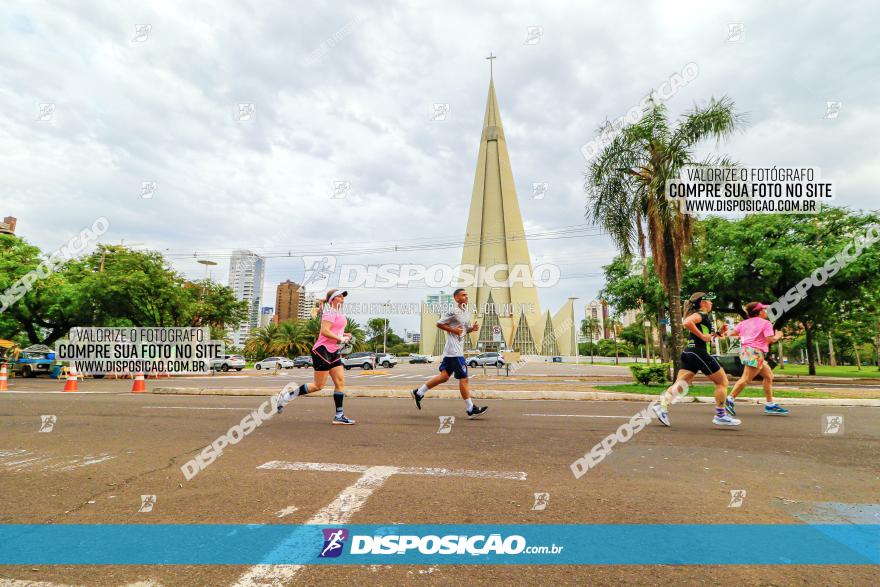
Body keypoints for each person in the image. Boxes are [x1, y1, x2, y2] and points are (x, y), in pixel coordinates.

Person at [652, 291, 741, 427]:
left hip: (690, 352)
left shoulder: (703, 317)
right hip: (698, 352)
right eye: (710, 301)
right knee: (722, 382)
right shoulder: (700, 315)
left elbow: (706, 337)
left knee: (681, 385)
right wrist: (702, 335)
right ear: (703, 303)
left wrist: (718, 333)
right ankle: (720, 415)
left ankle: (661, 407)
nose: (712, 303)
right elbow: (686, 323)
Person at [275, 289, 355, 425]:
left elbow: (335, 330)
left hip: (334, 351)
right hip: (322, 350)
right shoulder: (330, 312)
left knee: (340, 382)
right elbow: (324, 331)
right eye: (340, 297)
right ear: (333, 299)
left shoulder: (336, 313)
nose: (343, 299)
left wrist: (345, 335)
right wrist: (340, 339)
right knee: (318, 386)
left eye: (343, 297)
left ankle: (339, 415)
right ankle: (286, 397)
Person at [410, 288, 488, 419]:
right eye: (463, 295)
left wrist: (471, 329)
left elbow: (462, 331)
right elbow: (439, 323)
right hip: (454, 352)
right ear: (457, 298)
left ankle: (419, 392)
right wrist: (453, 330)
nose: (466, 297)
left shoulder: (465, 313)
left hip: (451, 351)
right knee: (464, 379)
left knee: (444, 376)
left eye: (466, 295)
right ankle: (470, 409)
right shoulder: (453, 311)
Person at [725, 301, 788, 416]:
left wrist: (747, 336)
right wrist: (778, 335)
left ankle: (770, 405)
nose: (765, 311)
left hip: (747, 351)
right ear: (759, 312)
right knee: (746, 378)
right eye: (763, 310)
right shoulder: (766, 323)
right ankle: (729, 400)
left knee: (768, 376)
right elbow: (770, 340)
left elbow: (731, 334)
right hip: (755, 352)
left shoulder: (743, 323)